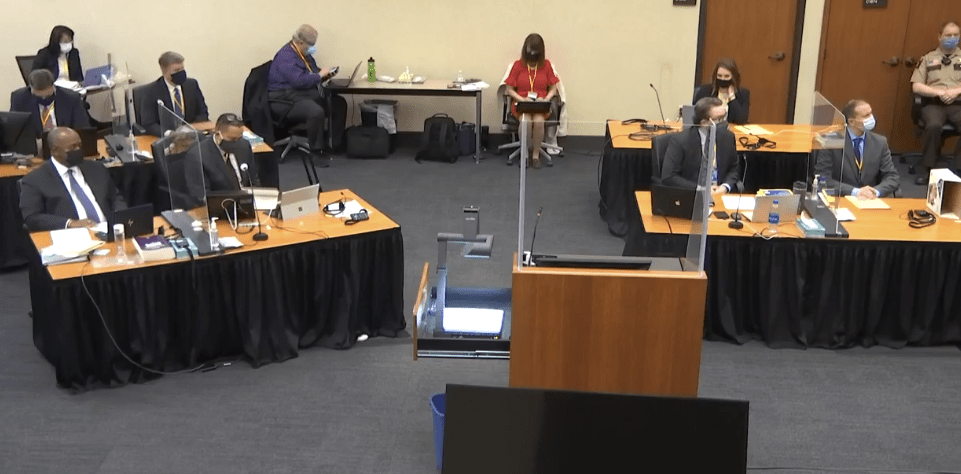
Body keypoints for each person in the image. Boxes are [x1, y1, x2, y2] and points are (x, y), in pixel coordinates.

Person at [19, 127, 126, 231]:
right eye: (73, 147)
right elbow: (31, 217)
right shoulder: (35, 179)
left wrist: (119, 216)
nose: (78, 150)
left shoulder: (96, 168)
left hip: (107, 230)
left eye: (80, 145)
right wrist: (70, 223)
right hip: (70, 236)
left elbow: (115, 197)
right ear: (55, 151)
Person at [267, 24, 348, 156]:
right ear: (300, 42)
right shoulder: (286, 57)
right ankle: (316, 151)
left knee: (338, 104)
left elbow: (311, 71)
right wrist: (319, 76)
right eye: (311, 45)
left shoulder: (302, 54)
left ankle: (335, 145)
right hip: (283, 99)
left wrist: (325, 74)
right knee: (315, 111)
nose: (313, 48)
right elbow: (299, 81)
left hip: (298, 94)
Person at [815, 100, 900, 199]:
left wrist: (875, 191)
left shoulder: (880, 142)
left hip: (871, 201)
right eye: (866, 115)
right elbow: (823, 179)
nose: (871, 118)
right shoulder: (831, 142)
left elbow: (892, 177)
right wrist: (855, 192)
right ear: (851, 121)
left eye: (871, 113)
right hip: (841, 198)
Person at [911, 20, 961, 185]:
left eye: (956, 35)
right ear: (939, 37)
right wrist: (939, 92)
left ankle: (959, 171)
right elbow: (916, 86)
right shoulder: (927, 59)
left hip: (957, 104)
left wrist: (956, 91)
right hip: (933, 104)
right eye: (948, 35)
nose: (952, 38)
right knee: (933, 125)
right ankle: (929, 170)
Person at [661, 97, 739, 193]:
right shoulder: (681, 140)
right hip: (693, 194)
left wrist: (725, 186)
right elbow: (669, 177)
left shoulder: (727, 137)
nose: (724, 123)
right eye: (719, 119)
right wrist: (701, 189)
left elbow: (733, 168)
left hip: (720, 194)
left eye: (724, 117)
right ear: (704, 123)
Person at [505, 33, 560, 169]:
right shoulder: (518, 66)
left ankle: (535, 155)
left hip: (541, 104)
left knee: (539, 121)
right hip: (521, 103)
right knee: (526, 121)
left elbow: (553, 88)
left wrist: (546, 98)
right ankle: (524, 154)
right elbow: (509, 89)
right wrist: (522, 98)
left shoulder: (546, 65)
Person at [185, 113, 260, 205]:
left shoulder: (244, 145)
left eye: (239, 138)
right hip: (220, 206)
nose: (236, 143)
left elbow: (254, 181)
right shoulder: (197, 155)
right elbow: (201, 195)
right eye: (232, 139)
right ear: (218, 134)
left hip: (247, 203)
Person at [138, 51, 209, 136]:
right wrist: (170, 134)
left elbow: (203, 112)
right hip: (167, 138)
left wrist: (191, 128)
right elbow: (149, 124)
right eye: (176, 70)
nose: (181, 73)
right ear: (164, 72)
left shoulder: (192, 85)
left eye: (182, 69)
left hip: (192, 135)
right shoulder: (151, 91)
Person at [10, 69, 90, 136]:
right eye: (39, 96)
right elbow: (15, 129)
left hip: (64, 142)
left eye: (47, 95)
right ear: (31, 88)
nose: (44, 98)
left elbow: (83, 128)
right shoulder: (19, 98)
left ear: (53, 86)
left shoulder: (72, 98)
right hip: (36, 145)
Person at [693, 58, 751, 124]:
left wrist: (732, 97)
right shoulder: (705, 90)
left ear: (733, 77)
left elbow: (741, 120)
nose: (722, 79)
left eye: (726, 76)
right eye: (719, 76)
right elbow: (696, 115)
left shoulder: (743, 93)